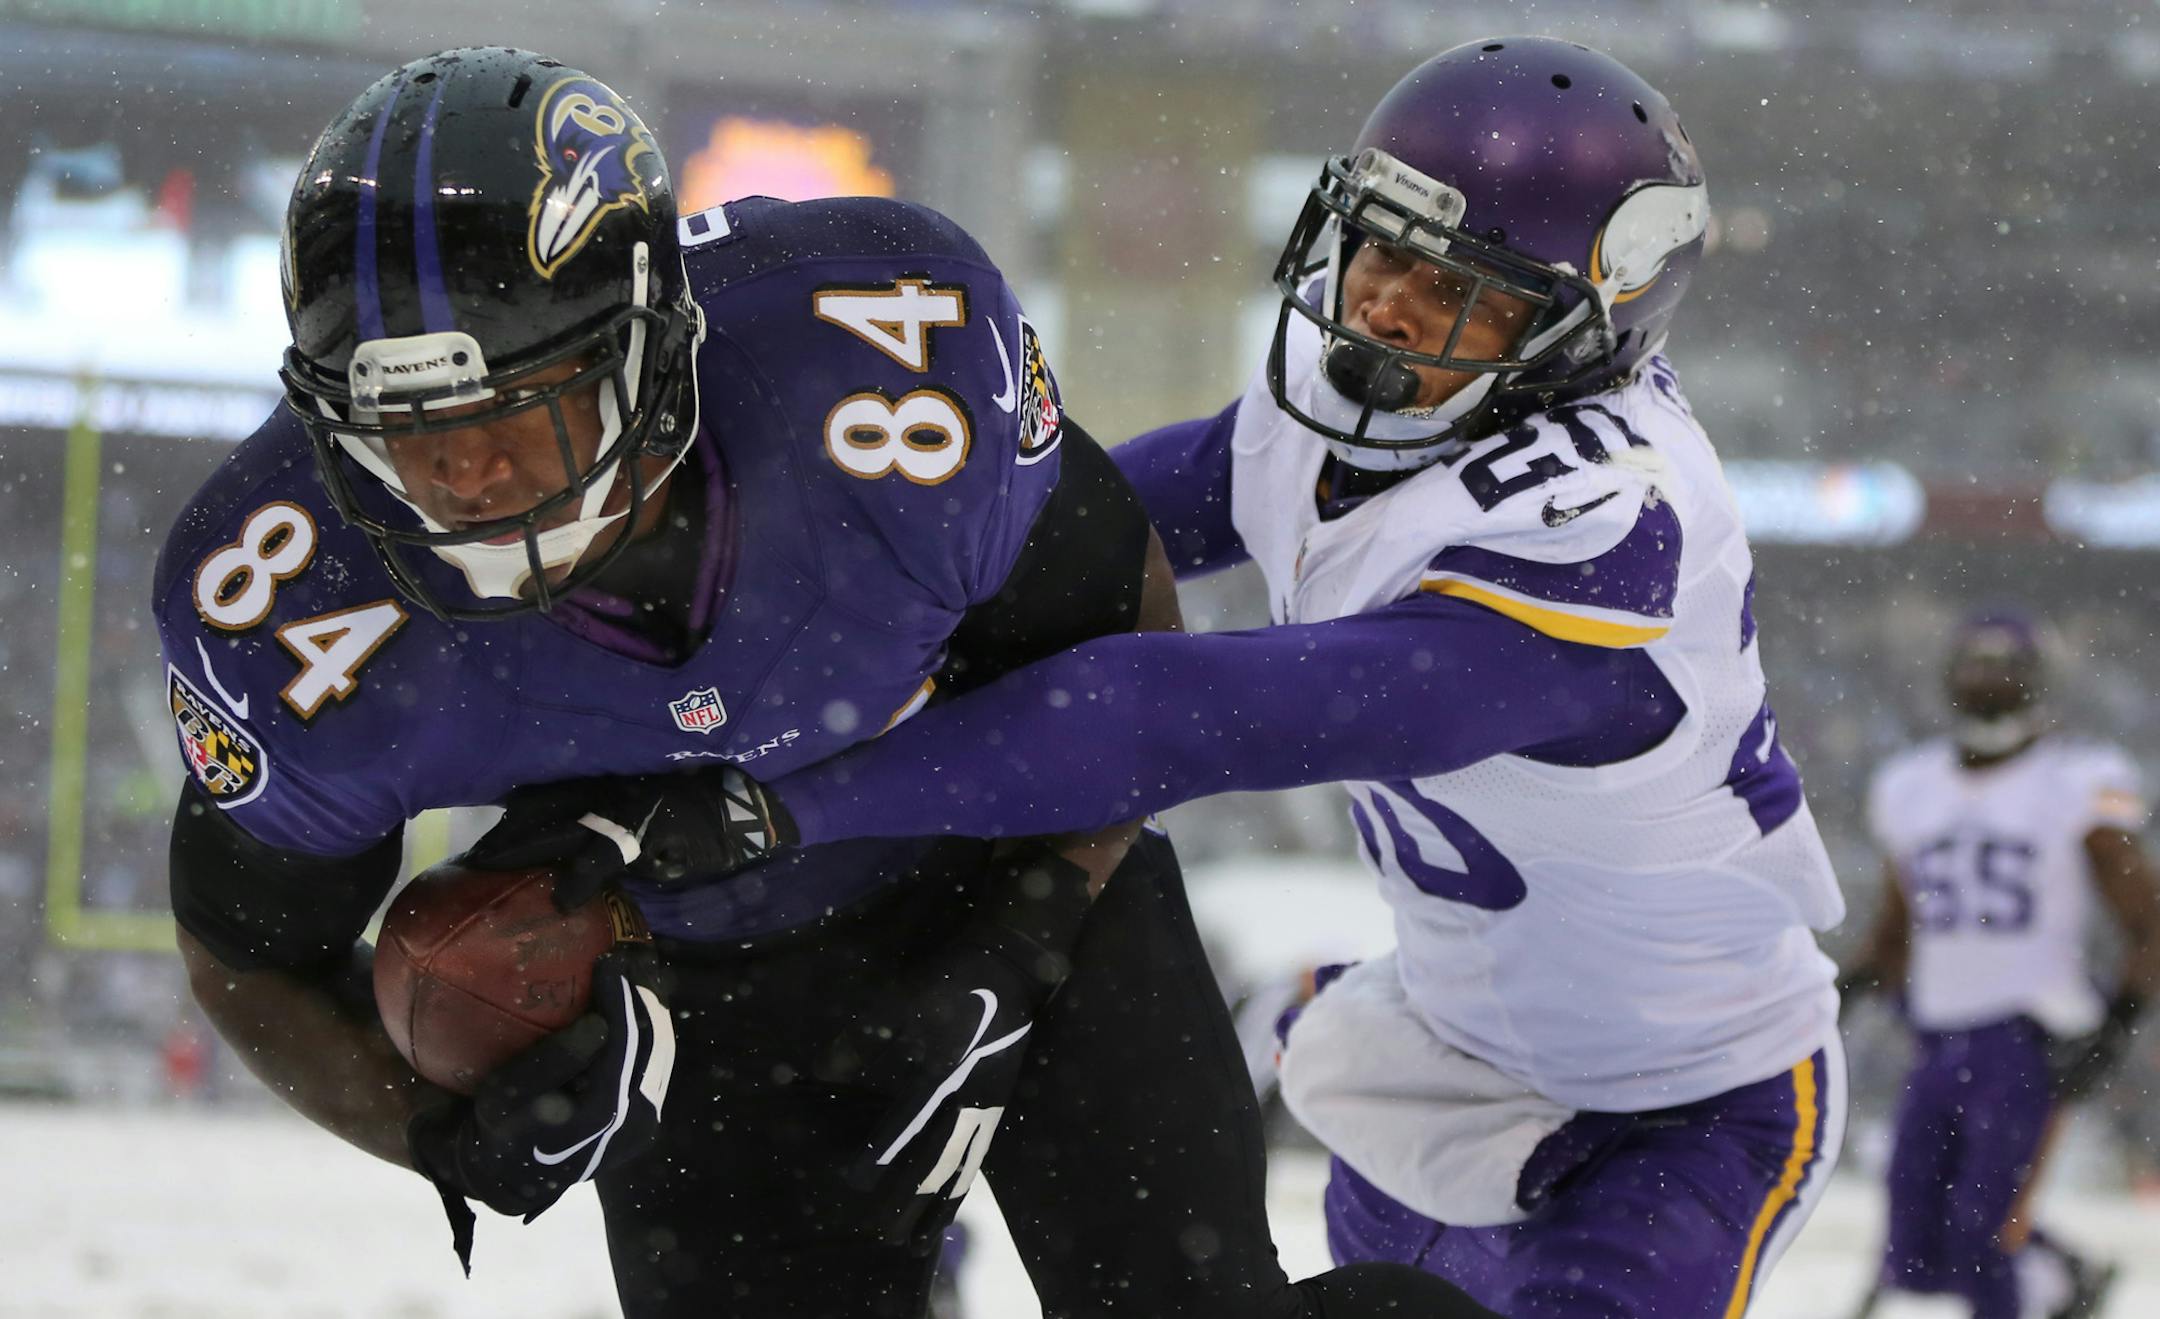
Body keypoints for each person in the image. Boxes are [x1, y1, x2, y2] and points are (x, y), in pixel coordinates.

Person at [152, 48, 1500, 1319]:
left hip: (1007, 865)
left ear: (641, 353)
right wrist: (443, 1128)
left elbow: (1116, 637)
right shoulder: (283, 599)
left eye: (515, 413)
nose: (467, 481)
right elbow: (246, 949)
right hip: (699, 1002)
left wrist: (1028, 922)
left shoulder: (880, 356)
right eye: (408, 434)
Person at [602, 37, 1852, 1318]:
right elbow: (1059, 536)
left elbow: (1161, 717)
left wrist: (782, 802)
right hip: (1438, 1052)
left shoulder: (1606, 535)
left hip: (1684, 1098)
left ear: (1581, 336)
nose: (1385, 306)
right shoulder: (1367, 399)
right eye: (1382, 247)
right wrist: (783, 599)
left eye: (1457, 289)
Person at [1840, 612, 2157, 1319]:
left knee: (1983, 1233)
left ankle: (2043, 1281)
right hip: (1937, 1029)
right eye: (1976, 664)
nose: (1988, 679)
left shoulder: (2078, 778)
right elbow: (1895, 929)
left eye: (2003, 664)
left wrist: (2116, 1026)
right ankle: (2067, 1275)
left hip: (2029, 1034)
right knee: (1914, 1246)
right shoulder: (1910, 784)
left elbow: (2146, 916)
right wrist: (1842, 989)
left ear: (2035, 678)